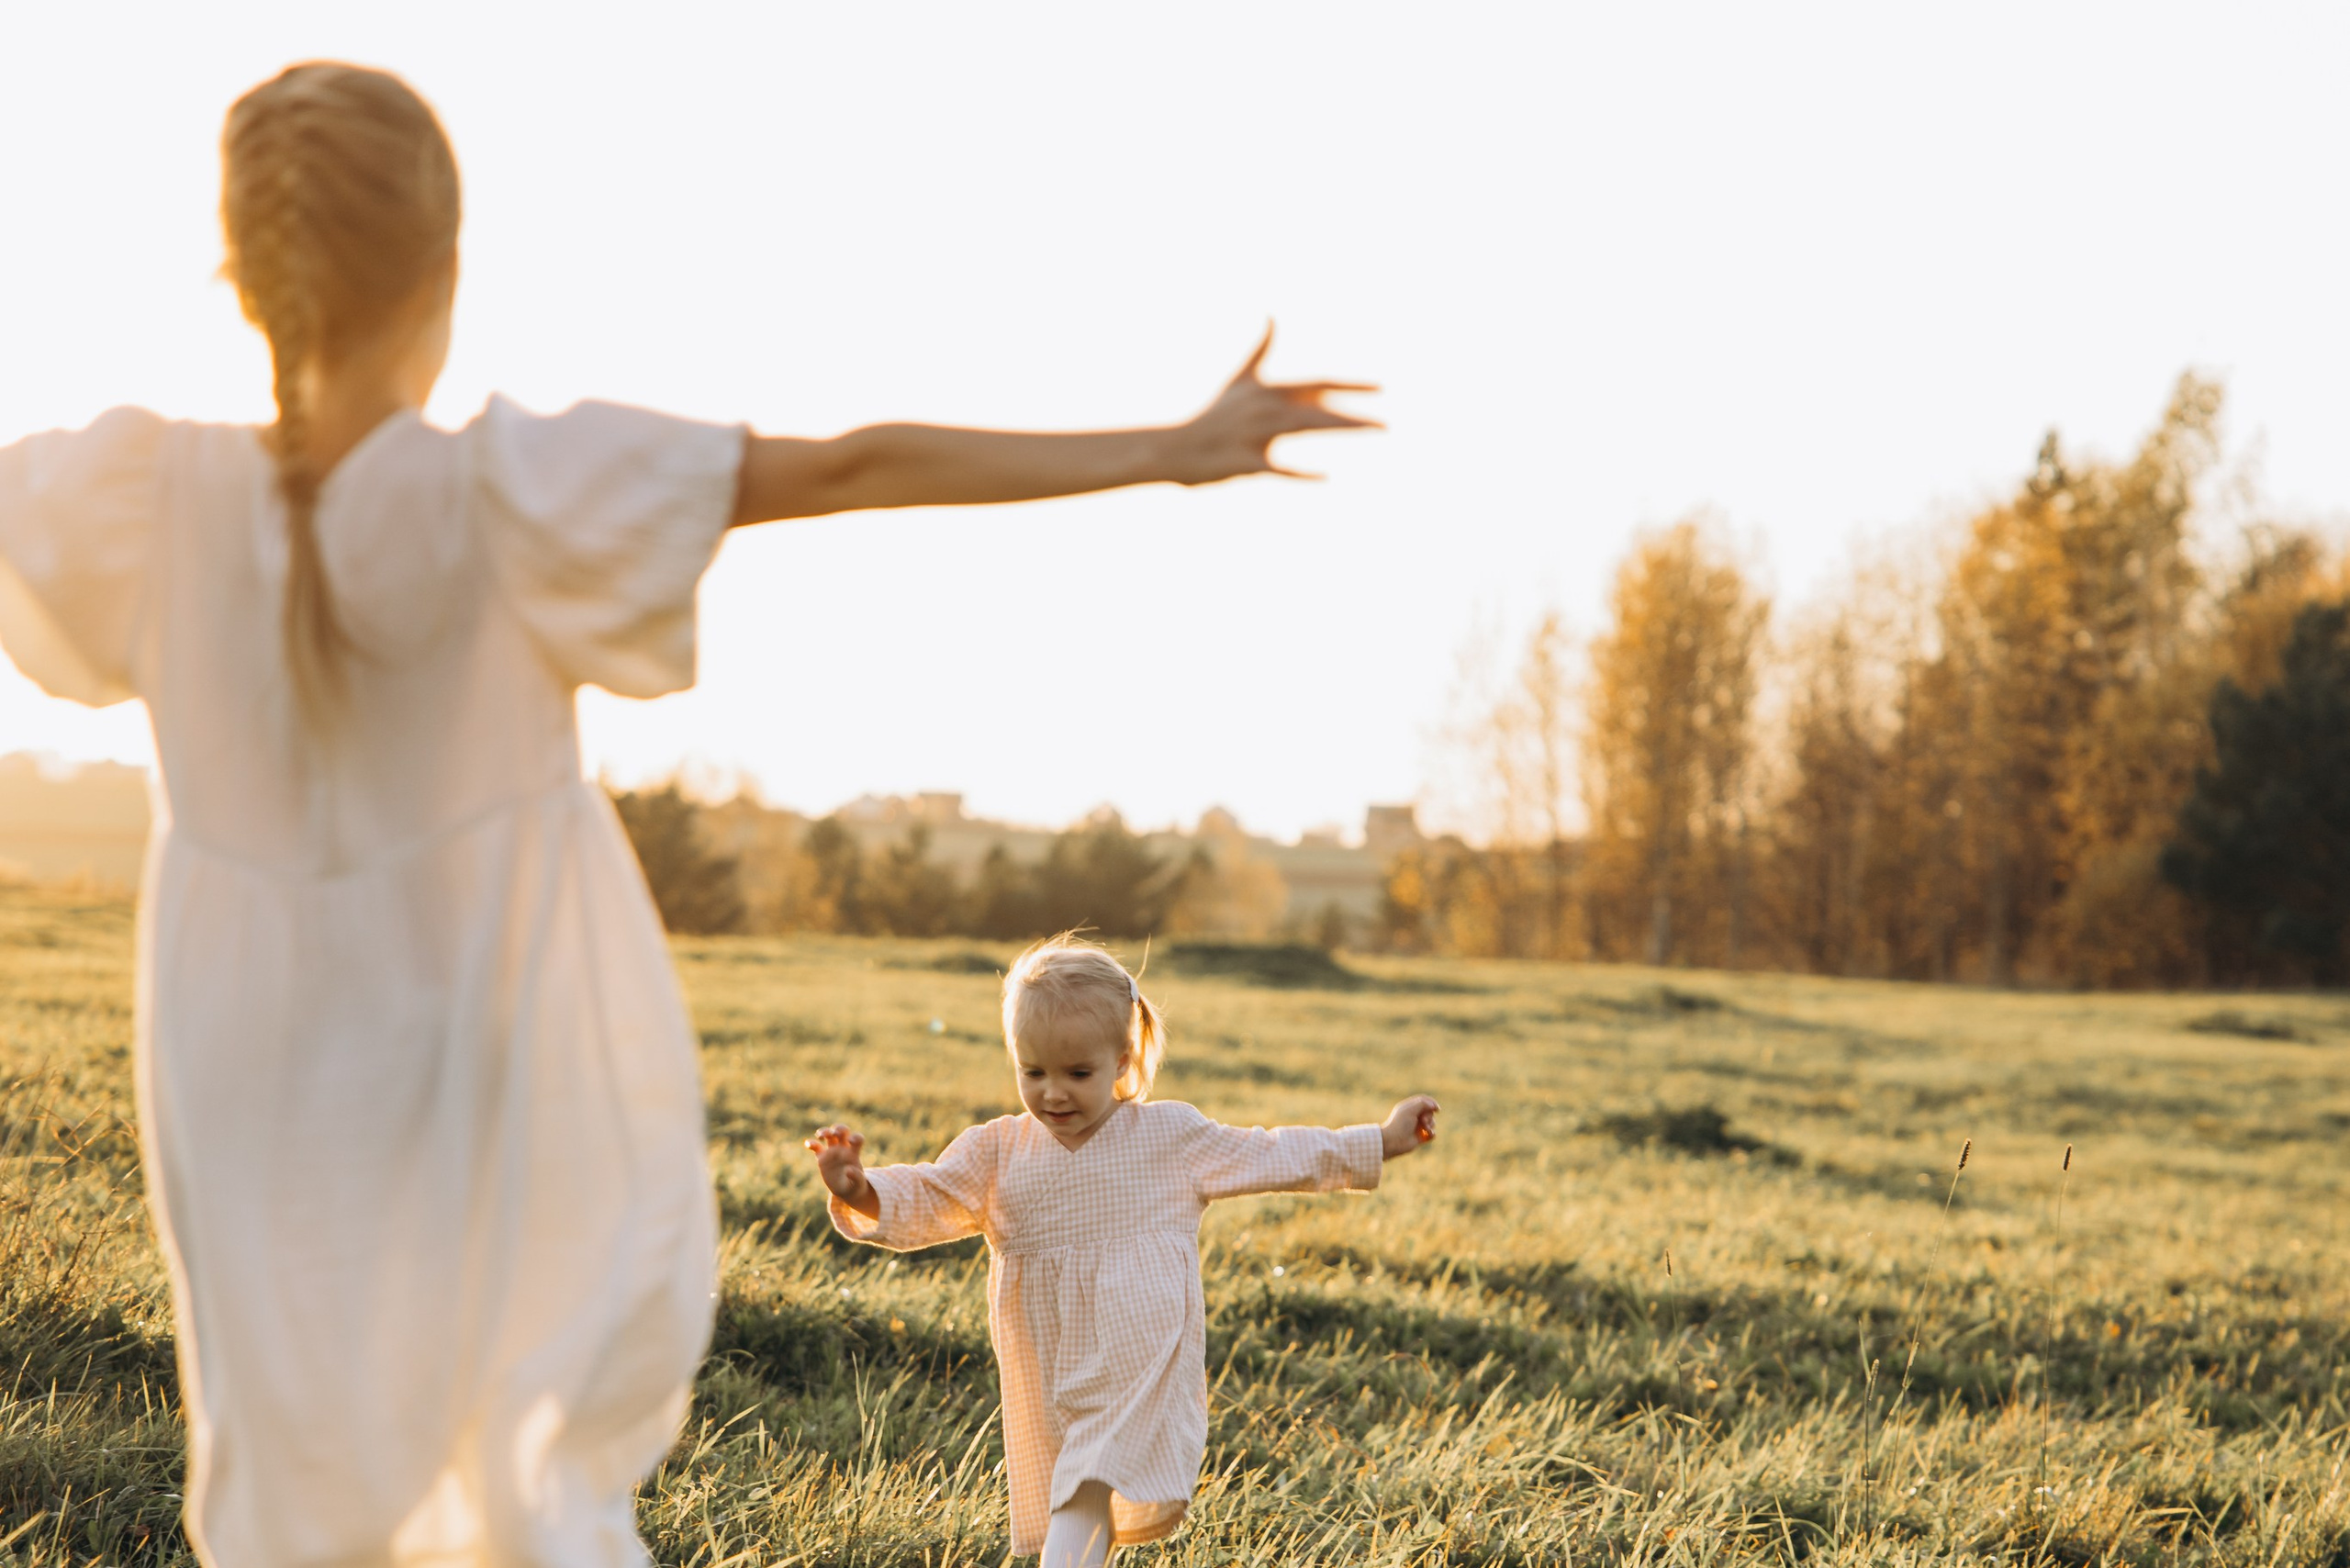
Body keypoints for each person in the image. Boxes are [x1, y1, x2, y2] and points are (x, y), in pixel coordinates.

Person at [0, 62, 1374, 1568]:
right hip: (481, 1055)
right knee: (519, 1455)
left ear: (246, 280)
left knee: (287, 1451)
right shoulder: (511, 485)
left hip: (241, 1055)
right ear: (446, 274)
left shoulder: (129, 496)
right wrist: (1167, 447)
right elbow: (848, 463)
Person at [805, 935, 1439, 1567]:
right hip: (1047, 1360)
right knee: (1074, 1490)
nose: (1054, 1093)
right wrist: (860, 1187)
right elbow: (928, 1197)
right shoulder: (998, 1153)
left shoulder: (1169, 1137)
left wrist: (1379, 1140)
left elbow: (1272, 1153)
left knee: (1086, 1483)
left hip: (1139, 1357)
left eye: (1078, 1073)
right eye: (1034, 1072)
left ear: (1123, 1060)